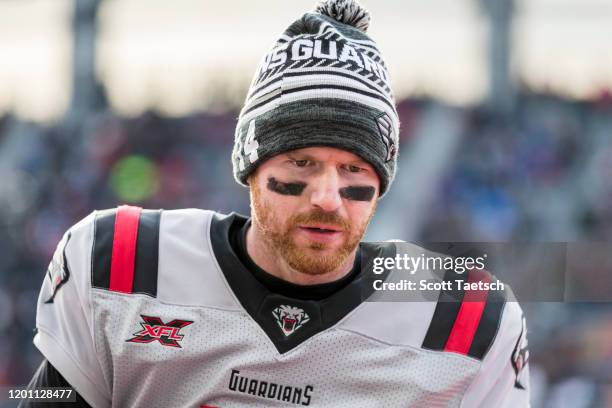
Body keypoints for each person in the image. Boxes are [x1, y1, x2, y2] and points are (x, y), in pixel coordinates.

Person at [22, 0, 530, 406]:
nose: (328, 199)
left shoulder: (466, 320)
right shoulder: (124, 261)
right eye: (301, 163)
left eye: (354, 168)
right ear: (251, 165)